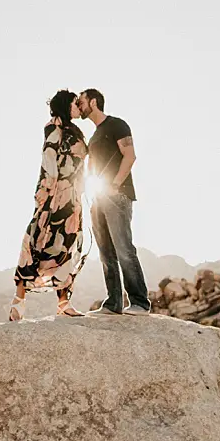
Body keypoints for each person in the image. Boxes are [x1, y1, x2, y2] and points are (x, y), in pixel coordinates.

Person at [9, 90, 89, 321]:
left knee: (67, 245)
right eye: (75, 103)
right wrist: (46, 193)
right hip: (55, 194)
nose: (78, 106)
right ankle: (19, 301)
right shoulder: (53, 127)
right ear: (66, 104)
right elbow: (49, 159)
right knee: (38, 241)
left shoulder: (74, 130)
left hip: (72, 196)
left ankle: (64, 303)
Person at [78, 88, 150, 315]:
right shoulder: (95, 133)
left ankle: (139, 302)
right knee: (105, 252)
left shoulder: (117, 124)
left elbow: (130, 156)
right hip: (98, 198)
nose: (79, 105)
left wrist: (116, 184)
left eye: (81, 101)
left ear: (94, 101)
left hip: (117, 195)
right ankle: (113, 303)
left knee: (124, 249)